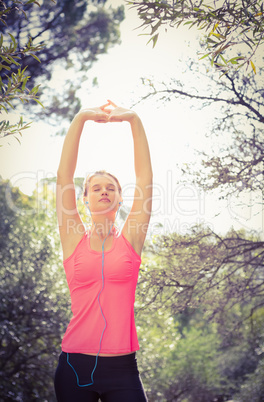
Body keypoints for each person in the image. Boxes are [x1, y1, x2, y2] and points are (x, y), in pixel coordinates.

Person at [54, 100, 153, 402]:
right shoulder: (73, 239)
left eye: (111, 187)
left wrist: (133, 120)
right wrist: (81, 117)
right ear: (84, 199)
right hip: (74, 365)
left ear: (121, 199)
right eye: (95, 188)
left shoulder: (130, 241)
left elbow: (146, 181)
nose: (104, 191)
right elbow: (63, 179)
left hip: (123, 368)